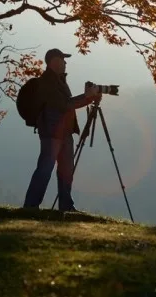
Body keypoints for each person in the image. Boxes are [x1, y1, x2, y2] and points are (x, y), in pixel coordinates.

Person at [23, 48, 101, 210]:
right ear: (54, 62)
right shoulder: (47, 83)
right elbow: (65, 105)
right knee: (45, 168)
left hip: (64, 132)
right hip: (52, 133)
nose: (65, 63)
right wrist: (87, 96)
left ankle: (66, 206)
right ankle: (31, 206)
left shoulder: (59, 81)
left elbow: (69, 104)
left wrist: (89, 97)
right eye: (63, 60)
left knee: (66, 170)